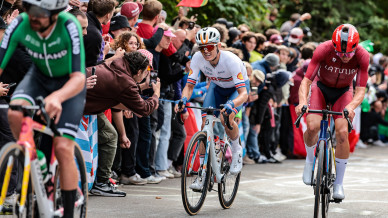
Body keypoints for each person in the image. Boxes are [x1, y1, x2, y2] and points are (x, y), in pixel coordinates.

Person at [0, 0, 86, 216]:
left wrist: (57, 97)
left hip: (68, 82)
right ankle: (36, 160)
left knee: (63, 147)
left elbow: (78, 77)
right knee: (14, 111)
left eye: (42, 14)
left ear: (55, 14)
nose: (35, 17)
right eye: (31, 11)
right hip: (38, 79)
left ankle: (67, 211)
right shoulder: (19, 24)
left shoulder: (69, 25)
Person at [296, 24, 369, 200]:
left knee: (343, 133)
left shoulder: (363, 56)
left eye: (348, 53)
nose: (344, 57)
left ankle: (339, 183)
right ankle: (310, 160)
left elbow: (360, 90)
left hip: (344, 92)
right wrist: (302, 102)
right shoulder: (324, 49)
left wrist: (350, 107)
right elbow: (306, 81)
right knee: (312, 127)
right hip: (320, 87)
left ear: (356, 47)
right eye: (340, 53)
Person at [176, 27, 249, 190]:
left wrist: (232, 104)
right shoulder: (197, 58)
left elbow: (243, 94)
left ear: (218, 46)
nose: (205, 51)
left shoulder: (231, 60)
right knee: (204, 127)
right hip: (216, 88)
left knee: (225, 118)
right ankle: (203, 174)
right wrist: (183, 100)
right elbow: (189, 86)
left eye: (209, 47)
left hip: (236, 91)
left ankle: (237, 151)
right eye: (202, 47)